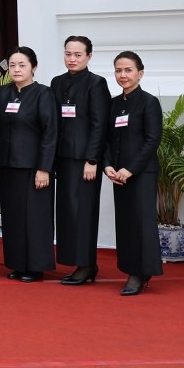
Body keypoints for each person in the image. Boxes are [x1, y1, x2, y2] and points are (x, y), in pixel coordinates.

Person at [0, 46, 58, 282]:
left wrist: (44, 168)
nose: (17, 69)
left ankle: (35, 266)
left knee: (35, 217)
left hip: (33, 167)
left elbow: (50, 132)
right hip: (8, 167)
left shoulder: (43, 93)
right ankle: (18, 263)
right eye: (12, 65)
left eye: (22, 65)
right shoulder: (3, 93)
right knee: (13, 217)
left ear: (34, 67)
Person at [49, 35, 111, 286]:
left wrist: (92, 159)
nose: (72, 59)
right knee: (67, 213)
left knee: (83, 212)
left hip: (85, 160)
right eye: (68, 54)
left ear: (89, 57)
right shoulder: (57, 82)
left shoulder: (96, 84)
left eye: (77, 55)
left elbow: (100, 125)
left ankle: (87, 265)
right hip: (62, 159)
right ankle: (75, 261)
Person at [104, 51, 163, 296]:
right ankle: (131, 268)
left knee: (142, 223)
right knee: (126, 223)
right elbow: (107, 138)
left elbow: (152, 140)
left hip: (141, 173)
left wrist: (131, 169)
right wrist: (108, 164)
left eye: (128, 70)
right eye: (118, 70)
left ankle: (140, 272)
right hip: (118, 174)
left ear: (140, 73)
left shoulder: (149, 102)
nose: (123, 75)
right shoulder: (115, 103)